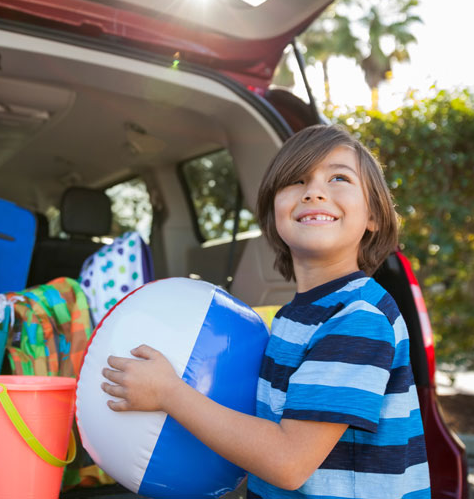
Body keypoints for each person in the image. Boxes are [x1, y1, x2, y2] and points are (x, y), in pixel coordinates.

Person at [101, 124, 429, 498]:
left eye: (339, 177)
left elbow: (289, 463)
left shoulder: (358, 318)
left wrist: (169, 393)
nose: (314, 192)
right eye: (297, 180)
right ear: (274, 213)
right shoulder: (295, 315)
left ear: (373, 215)